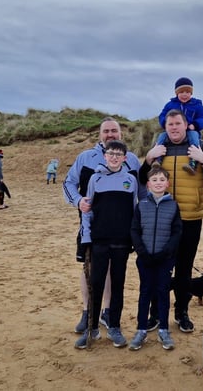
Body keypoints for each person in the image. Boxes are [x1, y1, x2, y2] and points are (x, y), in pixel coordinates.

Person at [63, 117, 147, 338]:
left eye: (114, 131)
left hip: (120, 228)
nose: (110, 134)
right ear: (100, 135)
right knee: (89, 269)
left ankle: (108, 312)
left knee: (114, 270)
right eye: (106, 131)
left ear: (120, 134)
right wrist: (78, 201)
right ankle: (87, 311)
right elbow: (68, 182)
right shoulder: (85, 158)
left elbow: (141, 192)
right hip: (92, 225)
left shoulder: (132, 162)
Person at [140, 109, 203, 333]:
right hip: (162, 219)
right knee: (160, 268)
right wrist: (148, 158)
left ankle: (181, 312)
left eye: (178, 124)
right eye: (170, 124)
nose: (174, 128)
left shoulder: (199, 147)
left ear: (186, 126)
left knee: (183, 268)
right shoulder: (159, 149)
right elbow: (142, 178)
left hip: (190, 218)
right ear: (166, 127)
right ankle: (155, 313)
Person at [75, 140, 138, 350]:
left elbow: (134, 212)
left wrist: (134, 239)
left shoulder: (130, 180)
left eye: (118, 155)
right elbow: (87, 210)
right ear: (105, 156)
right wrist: (86, 240)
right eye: (111, 154)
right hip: (99, 242)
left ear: (125, 158)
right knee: (96, 284)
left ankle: (114, 326)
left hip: (121, 243)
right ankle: (91, 328)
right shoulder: (95, 179)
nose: (114, 157)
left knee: (118, 286)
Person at [129, 164, 183, 351]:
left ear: (167, 183)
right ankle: (141, 329)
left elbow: (176, 233)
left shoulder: (174, 206)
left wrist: (165, 253)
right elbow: (135, 230)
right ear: (148, 184)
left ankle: (164, 330)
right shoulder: (141, 205)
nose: (158, 183)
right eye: (154, 180)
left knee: (162, 292)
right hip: (145, 258)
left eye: (162, 180)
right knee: (145, 292)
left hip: (164, 259)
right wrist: (142, 252)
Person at [156, 77, 203, 175]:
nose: (184, 94)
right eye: (181, 92)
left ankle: (193, 163)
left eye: (187, 92)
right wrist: (166, 124)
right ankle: (158, 160)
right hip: (173, 131)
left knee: (194, 138)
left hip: (190, 130)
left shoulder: (197, 105)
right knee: (161, 137)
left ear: (191, 93)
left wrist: (195, 125)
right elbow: (162, 115)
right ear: (176, 93)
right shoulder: (170, 104)